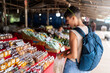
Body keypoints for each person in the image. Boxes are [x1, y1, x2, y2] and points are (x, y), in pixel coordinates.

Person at [57, 6, 89, 73]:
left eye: (68, 20)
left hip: (73, 66)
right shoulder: (87, 28)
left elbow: (74, 55)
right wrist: (67, 51)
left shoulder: (73, 32)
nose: (67, 23)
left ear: (73, 18)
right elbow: (80, 46)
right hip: (85, 65)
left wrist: (62, 55)